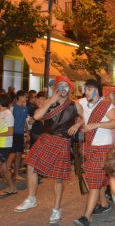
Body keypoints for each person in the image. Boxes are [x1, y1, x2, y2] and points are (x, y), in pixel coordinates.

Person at [15, 76, 83, 224]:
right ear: (56, 88)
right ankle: (32, 198)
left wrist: (78, 124)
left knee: (59, 178)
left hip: (63, 141)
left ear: (70, 88)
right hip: (46, 138)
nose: (63, 89)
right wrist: (51, 101)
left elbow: (83, 118)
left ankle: (56, 209)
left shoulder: (75, 105)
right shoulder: (48, 102)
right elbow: (37, 116)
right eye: (60, 85)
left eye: (66, 86)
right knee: (31, 165)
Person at [74, 79, 115, 226]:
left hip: (103, 149)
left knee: (94, 183)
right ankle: (105, 204)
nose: (85, 92)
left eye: (89, 89)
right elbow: (74, 109)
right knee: (97, 179)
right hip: (89, 147)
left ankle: (86, 217)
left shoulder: (107, 106)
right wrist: (79, 122)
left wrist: (96, 125)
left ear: (96, 90)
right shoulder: (83, 102)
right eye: (85, 89)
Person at [7, 90, 28, 181]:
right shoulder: (13, 108)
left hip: (20, 134)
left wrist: (27, 133)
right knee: (12, 154)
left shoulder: (25, 108)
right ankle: (5, 174)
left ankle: (16, 174)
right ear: (19, 97)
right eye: (25, 96)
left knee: (19, 154)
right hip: (13, 133)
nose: (26, 98)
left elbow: (25, 121)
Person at [0, 94, 17, 196]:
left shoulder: (8, 114)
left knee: (3, 167)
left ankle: (12, 188)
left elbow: (10, 132)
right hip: (1, 144)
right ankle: (12, 188)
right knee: (5, 168)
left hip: (5, 145)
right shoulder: (1, 113)